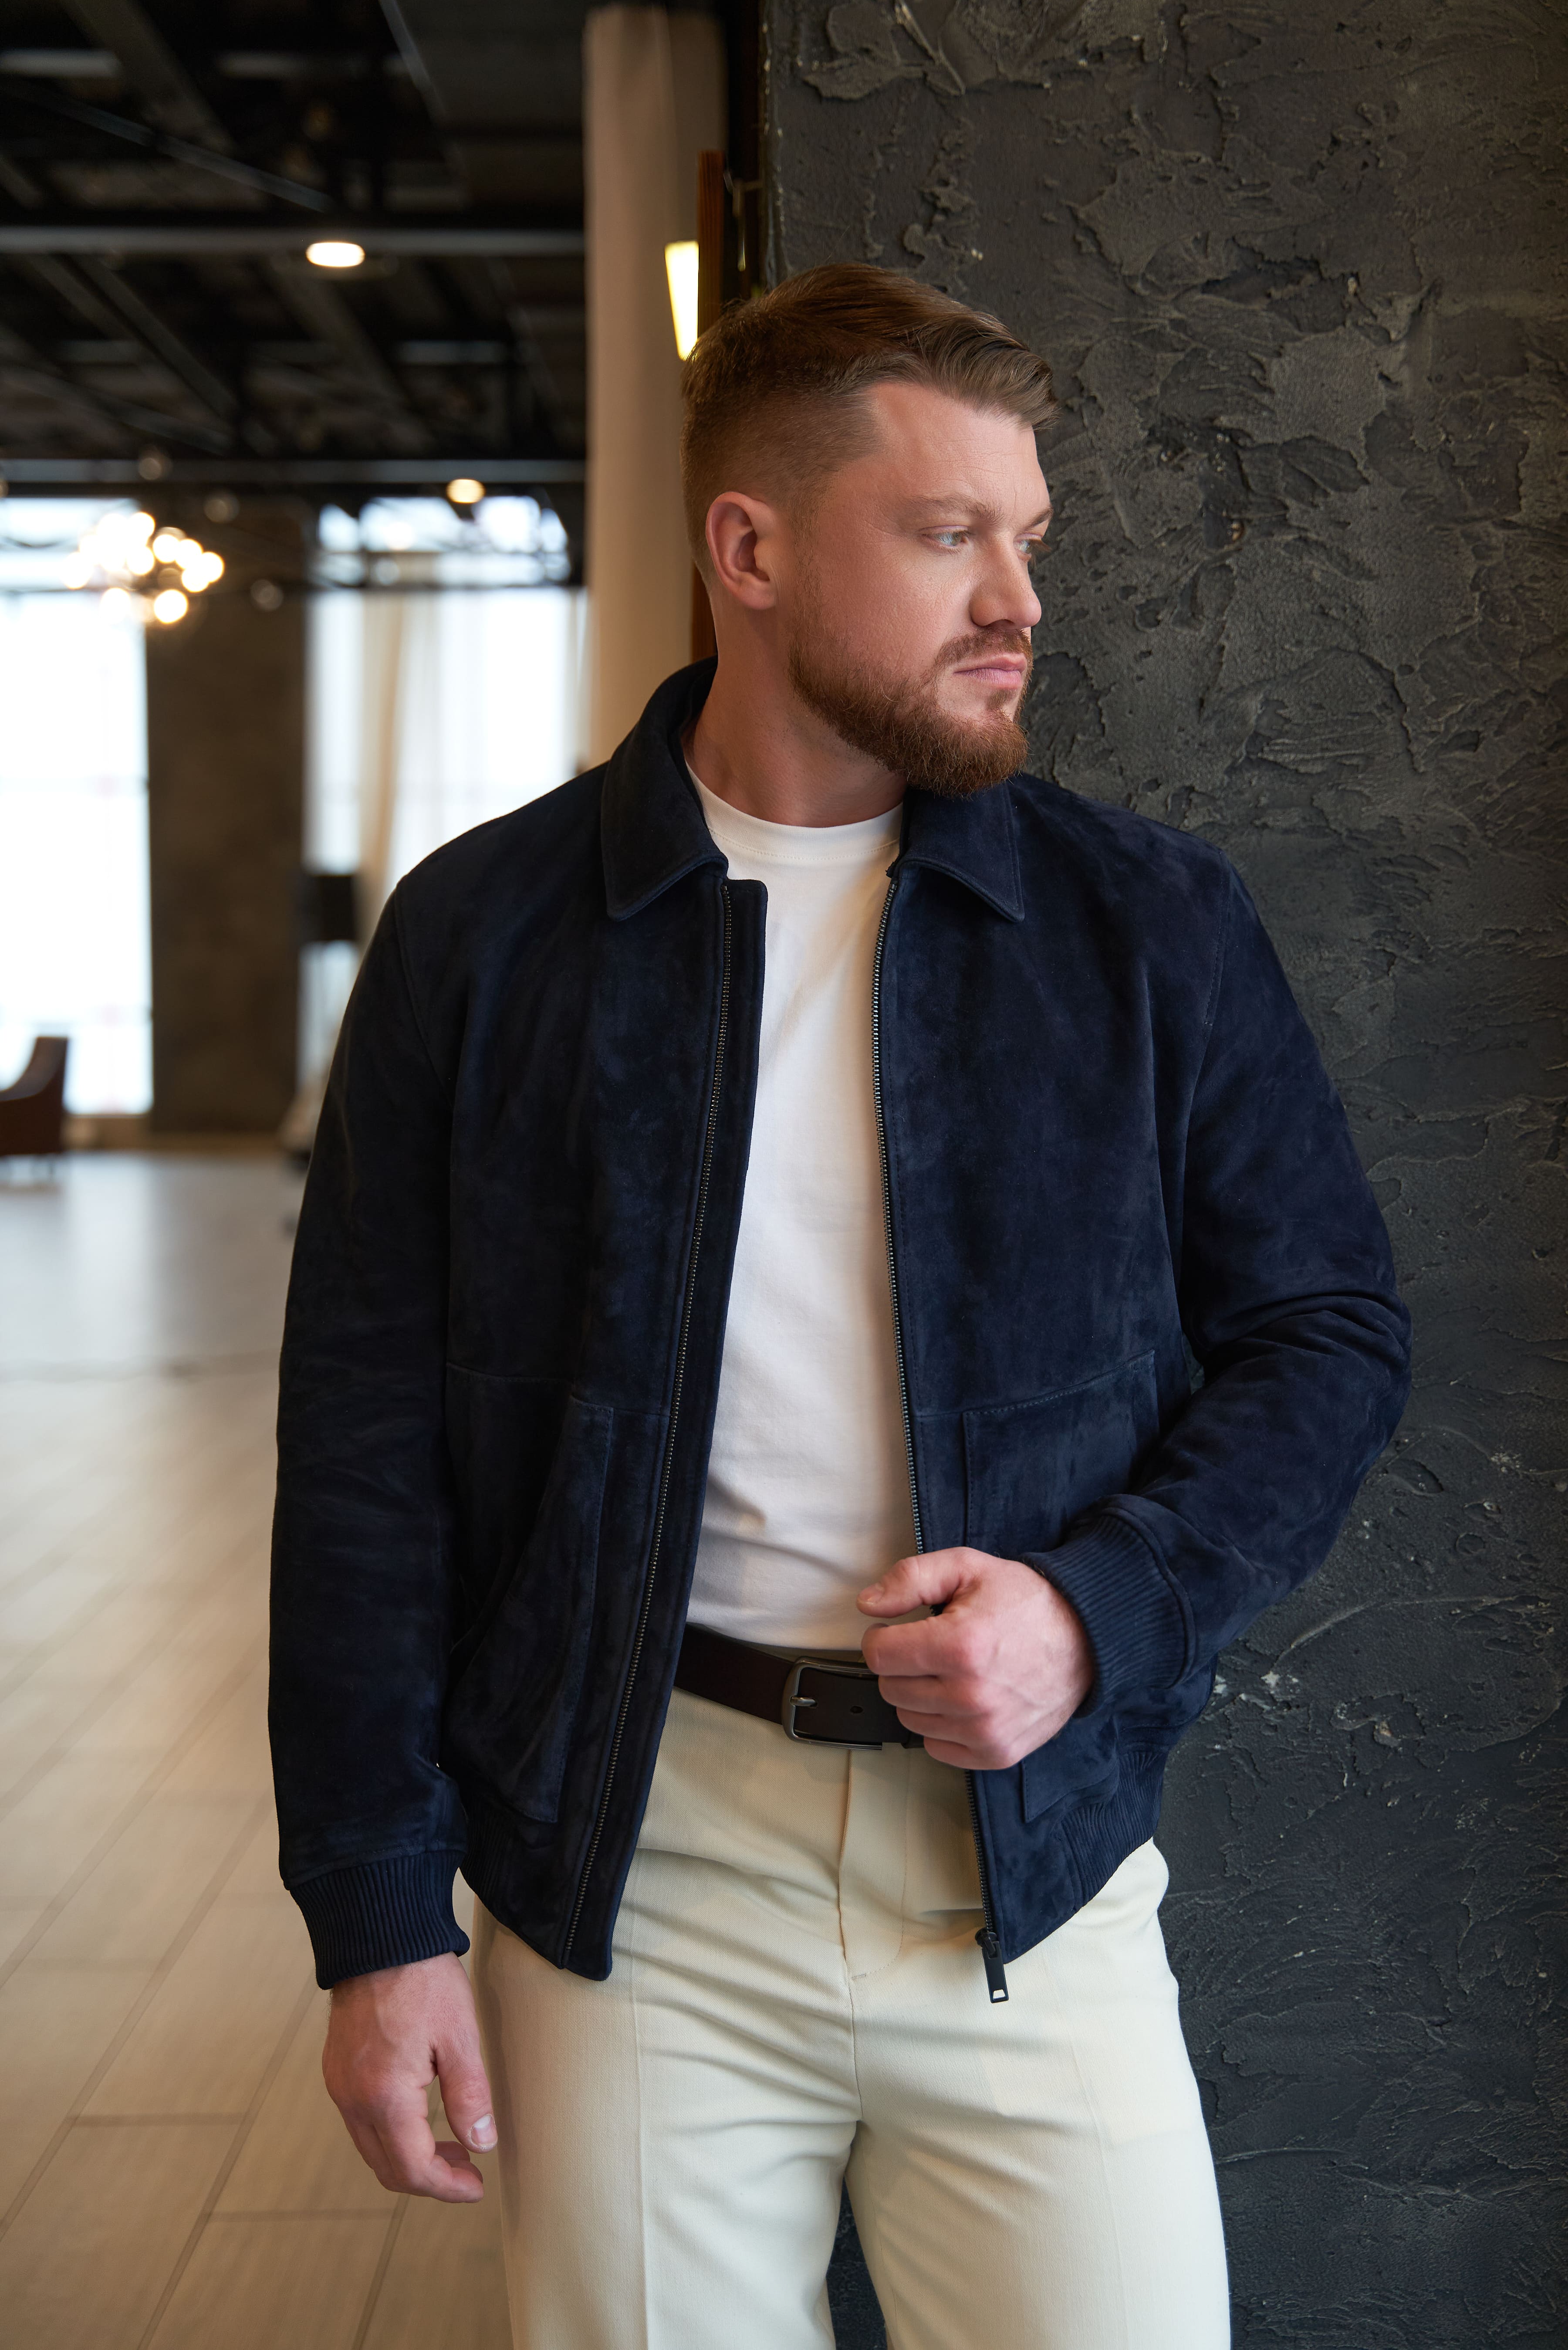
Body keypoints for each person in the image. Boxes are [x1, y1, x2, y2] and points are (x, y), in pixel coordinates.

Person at [270, 264, 1411, 2349]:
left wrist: (1097, 1609)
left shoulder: (1146, 925)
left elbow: (1328, 1332)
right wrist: (375, 1919)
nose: (1020, 600)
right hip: (630, 1878)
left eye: (1028, 538)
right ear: (753, 550)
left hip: (1032, 1869)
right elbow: (363, 1451)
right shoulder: (487, 939)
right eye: (949, 533)